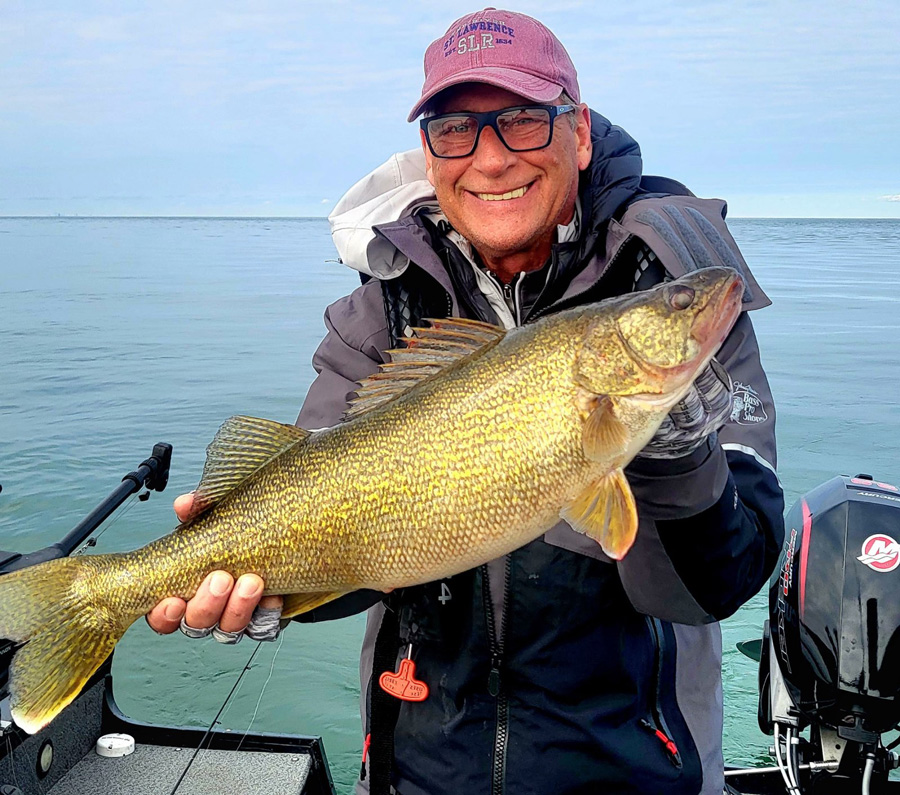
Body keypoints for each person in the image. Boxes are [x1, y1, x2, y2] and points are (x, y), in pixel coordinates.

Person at [147, 9, 785, 794]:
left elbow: (721, 582)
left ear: (578, 133)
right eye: (455, 129)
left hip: (634, 769)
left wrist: (678, 447)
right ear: (429, 152)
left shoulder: (670, 274)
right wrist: (267, 591)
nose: (489, 158)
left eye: (520, 121)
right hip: (423, 768)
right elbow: (346, 552)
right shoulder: (376, 313)